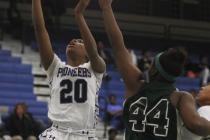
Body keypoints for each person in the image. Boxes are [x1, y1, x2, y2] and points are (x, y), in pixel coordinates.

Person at [98, 0, 210, 139]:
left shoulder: (136, 85)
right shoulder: (181, 97)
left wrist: (106, 8)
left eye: (152, 63)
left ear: (154, 70)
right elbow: (196, 125)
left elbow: (118, 46)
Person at [32, 0, 106, 139]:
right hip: (57, 133)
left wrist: (79, 16)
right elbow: (40, 29)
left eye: (79, 41)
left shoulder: (94, 69)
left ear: (87, 53)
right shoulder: (55, 67)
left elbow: (93, 52)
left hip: (84, 135)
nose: (73, 41)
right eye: (72, 41)